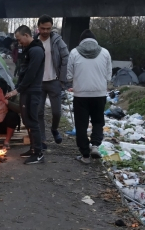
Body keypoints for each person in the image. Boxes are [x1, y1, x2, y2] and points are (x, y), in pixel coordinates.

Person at [66, 29, 112, 164]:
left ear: (81, 41)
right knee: (98, 121)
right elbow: (108, 76)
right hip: (99, 94)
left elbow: (69, 76)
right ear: (95, 40)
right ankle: (96, 145)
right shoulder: (105, 53)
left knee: (81, 125)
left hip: (81, 95)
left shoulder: (74, 53)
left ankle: (85, 155)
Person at [5, 25, 45, 165]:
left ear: (26, 35)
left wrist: (18, 89)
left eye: (19, 38)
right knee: (27, 121)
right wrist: (18, 87)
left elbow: (31, 73)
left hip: (32, 91)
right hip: (26, 91)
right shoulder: (29, 50)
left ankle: (38, 153)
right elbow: (23, 71)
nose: (18, 42)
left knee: (32, 121)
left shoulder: (37, 51)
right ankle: (33, 149)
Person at [36, 15, 70, 149]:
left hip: (54, 81)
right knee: (39, 112)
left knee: (57, 112)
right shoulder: (34, 42)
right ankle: (42, 139)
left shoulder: (57, 41)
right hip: (38, 83)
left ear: (51, 28)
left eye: (48, 28)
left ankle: (54, 129)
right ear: (38, 27)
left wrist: (62, 77)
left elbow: (66, 57)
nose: (45, 31)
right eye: (43, 28)